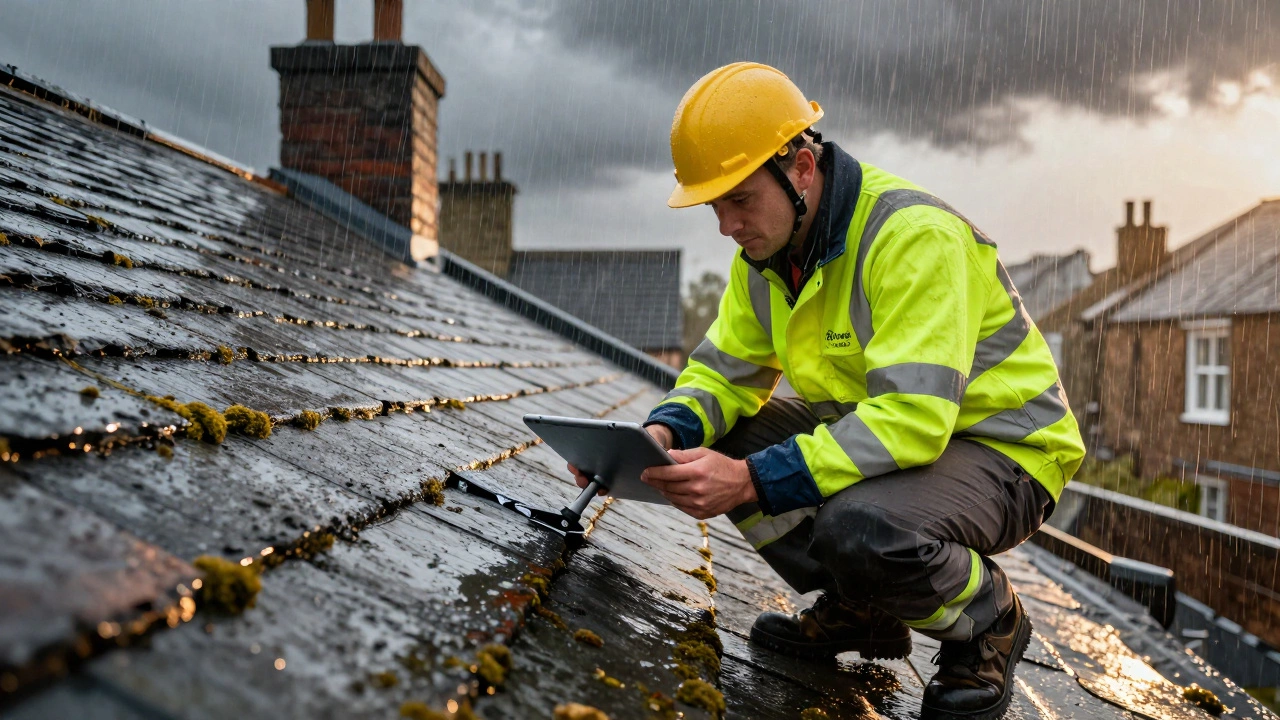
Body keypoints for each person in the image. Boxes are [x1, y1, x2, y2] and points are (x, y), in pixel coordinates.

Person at [569, 62, 1084, 720]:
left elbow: (912, 421)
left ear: (803, 168)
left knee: (858, 526)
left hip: (1006, 453)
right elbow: (724, 373)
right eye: (714, 206)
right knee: (715, 439)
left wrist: (752, 480)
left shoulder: (913, 239)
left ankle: (987, 622)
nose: (726, 225)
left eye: (740, 199)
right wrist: (657, 437)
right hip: (895, 438)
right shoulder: (767, 254)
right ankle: (862, 609)